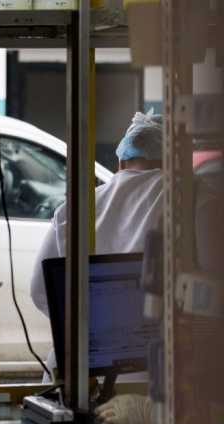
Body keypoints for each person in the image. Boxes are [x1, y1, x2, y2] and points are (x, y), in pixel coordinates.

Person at [30, 111, 165, 317]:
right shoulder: (184, 196)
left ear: (120, 161)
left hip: (85, 342)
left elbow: (40, 291)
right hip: (149, 341)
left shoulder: (72, 208)